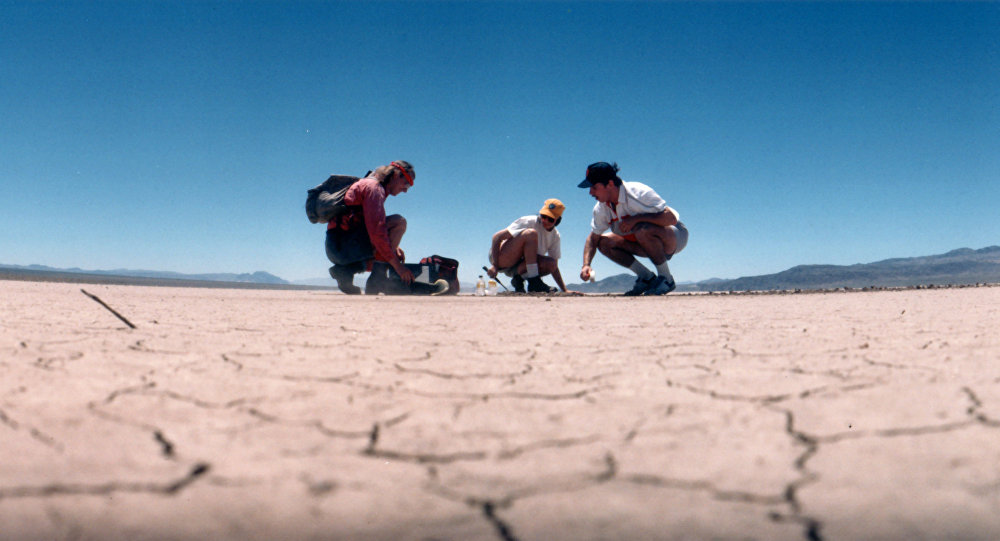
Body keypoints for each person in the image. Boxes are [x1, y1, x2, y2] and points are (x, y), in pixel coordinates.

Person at [578, 162, 688, 296]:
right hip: (643, 242)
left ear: (610, 184)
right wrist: (586, 265)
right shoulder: (601, 208)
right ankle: (647, 277)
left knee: (642, 229)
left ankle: (666, 278)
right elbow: (592, 238)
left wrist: (637, 218)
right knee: (603, 242)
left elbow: (670, 218)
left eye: (594, 187)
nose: (590, 192)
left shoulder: (638, 192)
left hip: (674, 236)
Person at [325, 160, 415, 294]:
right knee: (399, 222)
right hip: (343, 246)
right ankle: (377, 281)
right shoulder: (374, 189)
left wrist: (393, 248)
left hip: (337, 246)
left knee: (387, 253)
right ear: (396, 175)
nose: (406, 190)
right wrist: (399, 267)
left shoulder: (371, 185)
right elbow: (377, 233)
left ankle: (345, 272)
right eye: (407, 183)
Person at [486, 199, 571, 293]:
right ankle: (535, 281)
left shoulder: (555, 236)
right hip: (501, 257)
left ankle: (518, 279)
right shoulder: (530, 221)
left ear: (557, 221)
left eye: (550, 219)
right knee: (531, 234)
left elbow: (554, 267)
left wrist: (564, 290)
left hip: (520, 266)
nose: (545, 221)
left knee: (551, 264)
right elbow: (496, 237)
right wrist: (495, 265)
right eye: (543, 216)